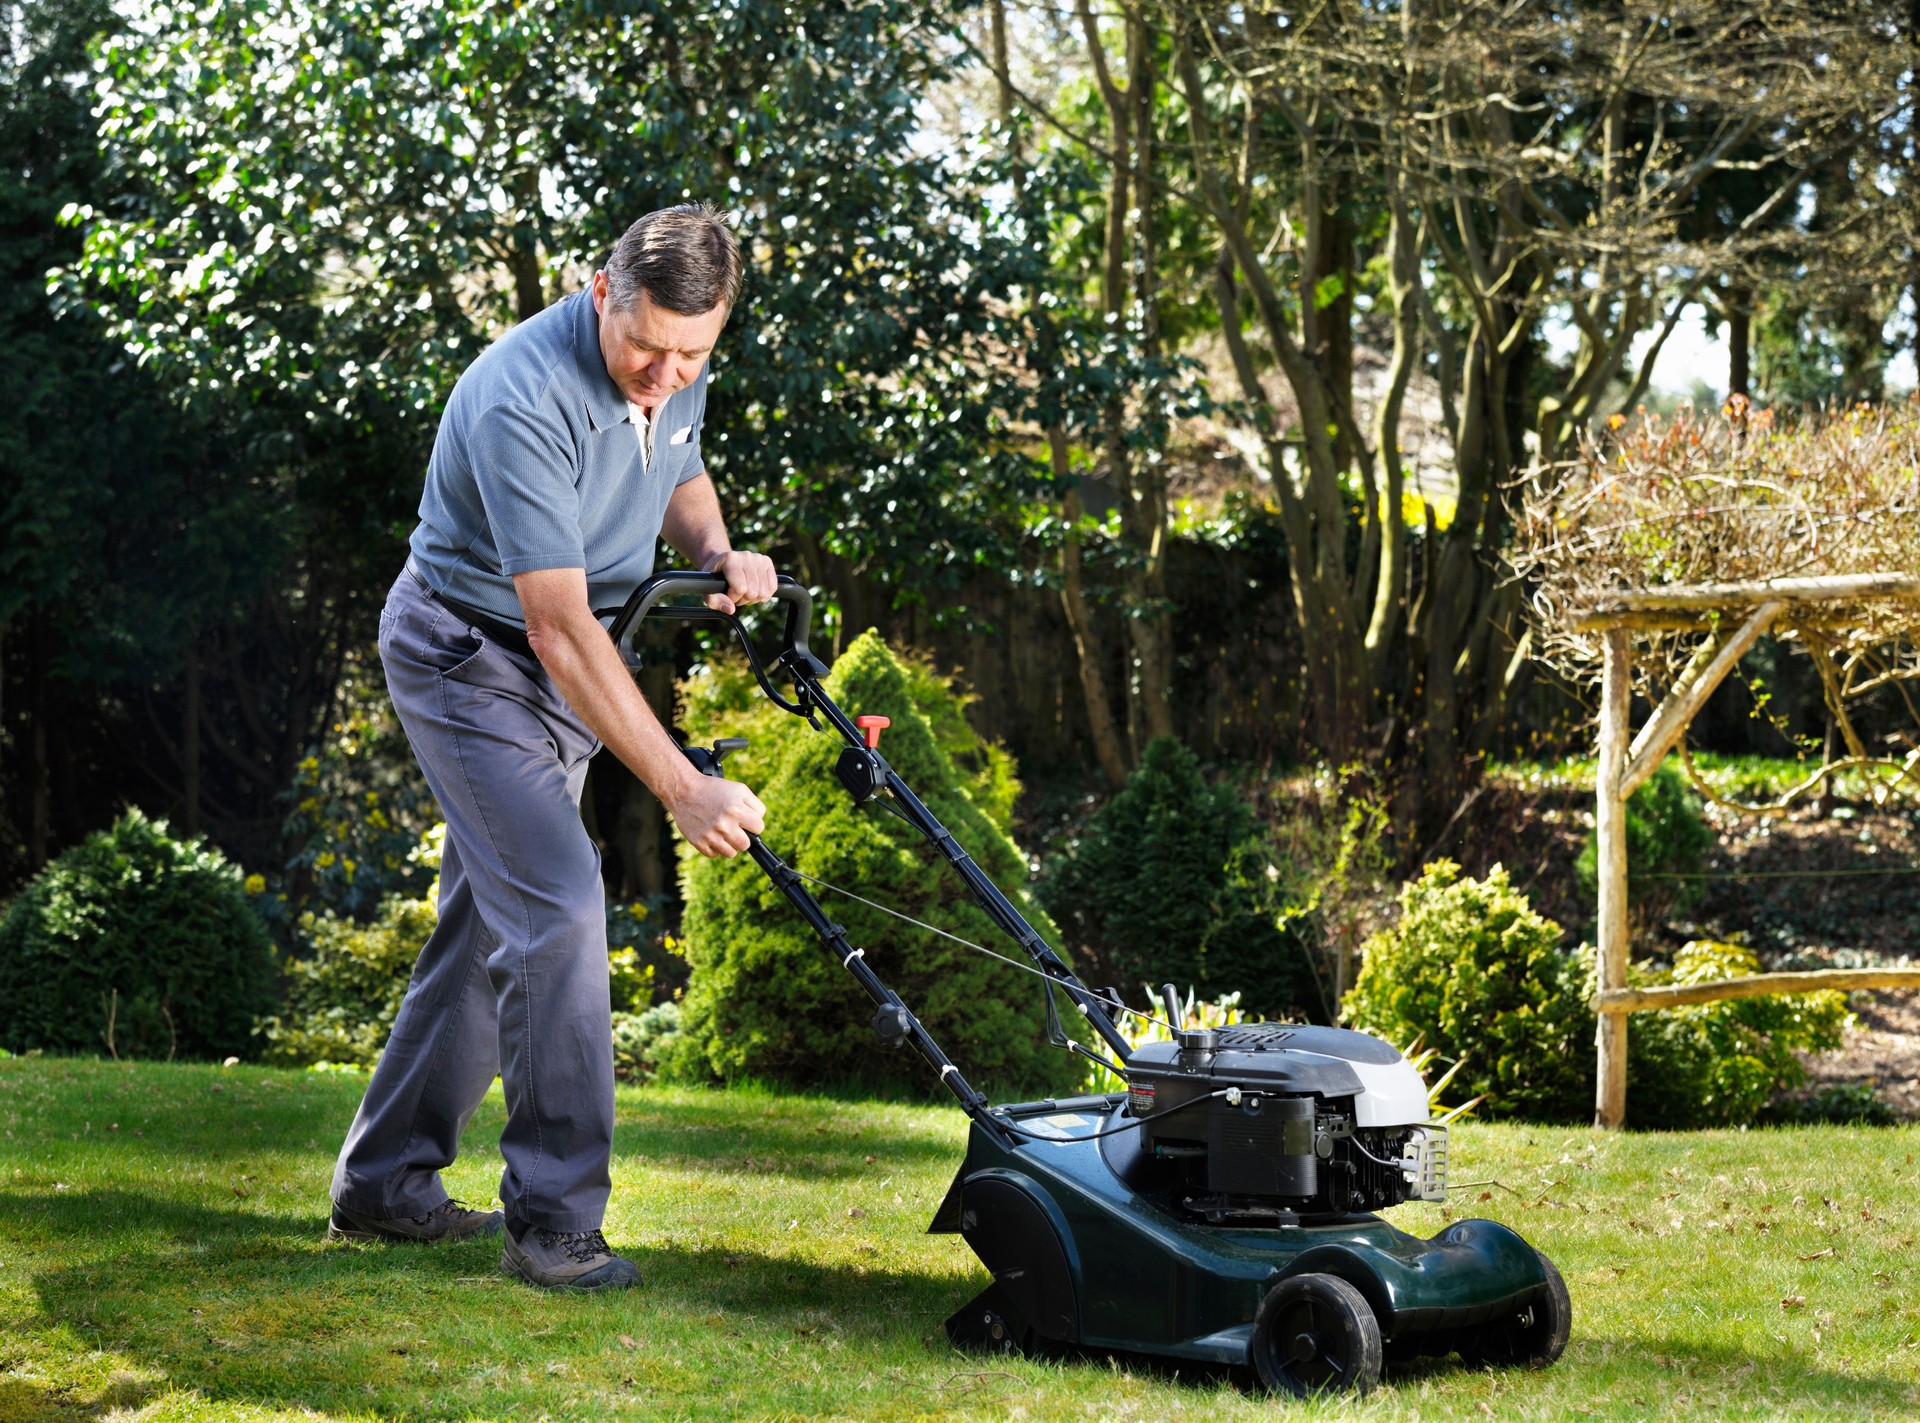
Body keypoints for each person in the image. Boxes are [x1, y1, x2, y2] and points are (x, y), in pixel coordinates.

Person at [325, 204, 774, 1290]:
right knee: (561, 904)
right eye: (647, 346)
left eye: (692, 352)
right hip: (468, 662)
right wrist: (683, 787)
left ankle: (384, 1185)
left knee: (496, 917)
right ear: (597, 293)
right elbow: (557, 628)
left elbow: (678, 466)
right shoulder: (523, 395)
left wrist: (720, 549)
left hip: (560, 667)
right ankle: (556, 1223)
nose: (666, 371)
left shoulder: (673, 360)